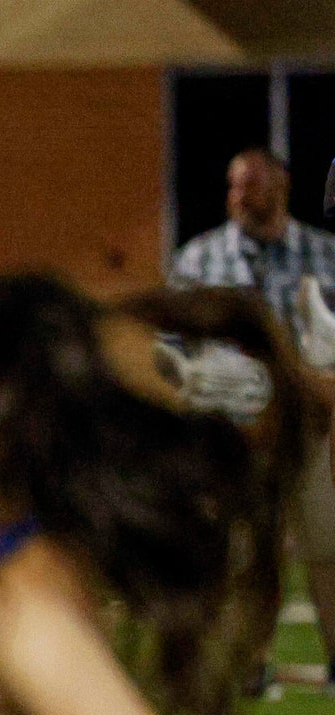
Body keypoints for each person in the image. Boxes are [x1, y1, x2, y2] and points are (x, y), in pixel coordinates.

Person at [171, 147, 335, 684]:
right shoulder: (201, 259)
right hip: (237, 431)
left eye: (251, 185)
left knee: (327, 546)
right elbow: (173, 349)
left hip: (310, 429)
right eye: (233, 185)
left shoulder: (322, 253)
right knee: (247, 554)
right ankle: (249, 663)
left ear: (281, 186)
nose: (238, 196)